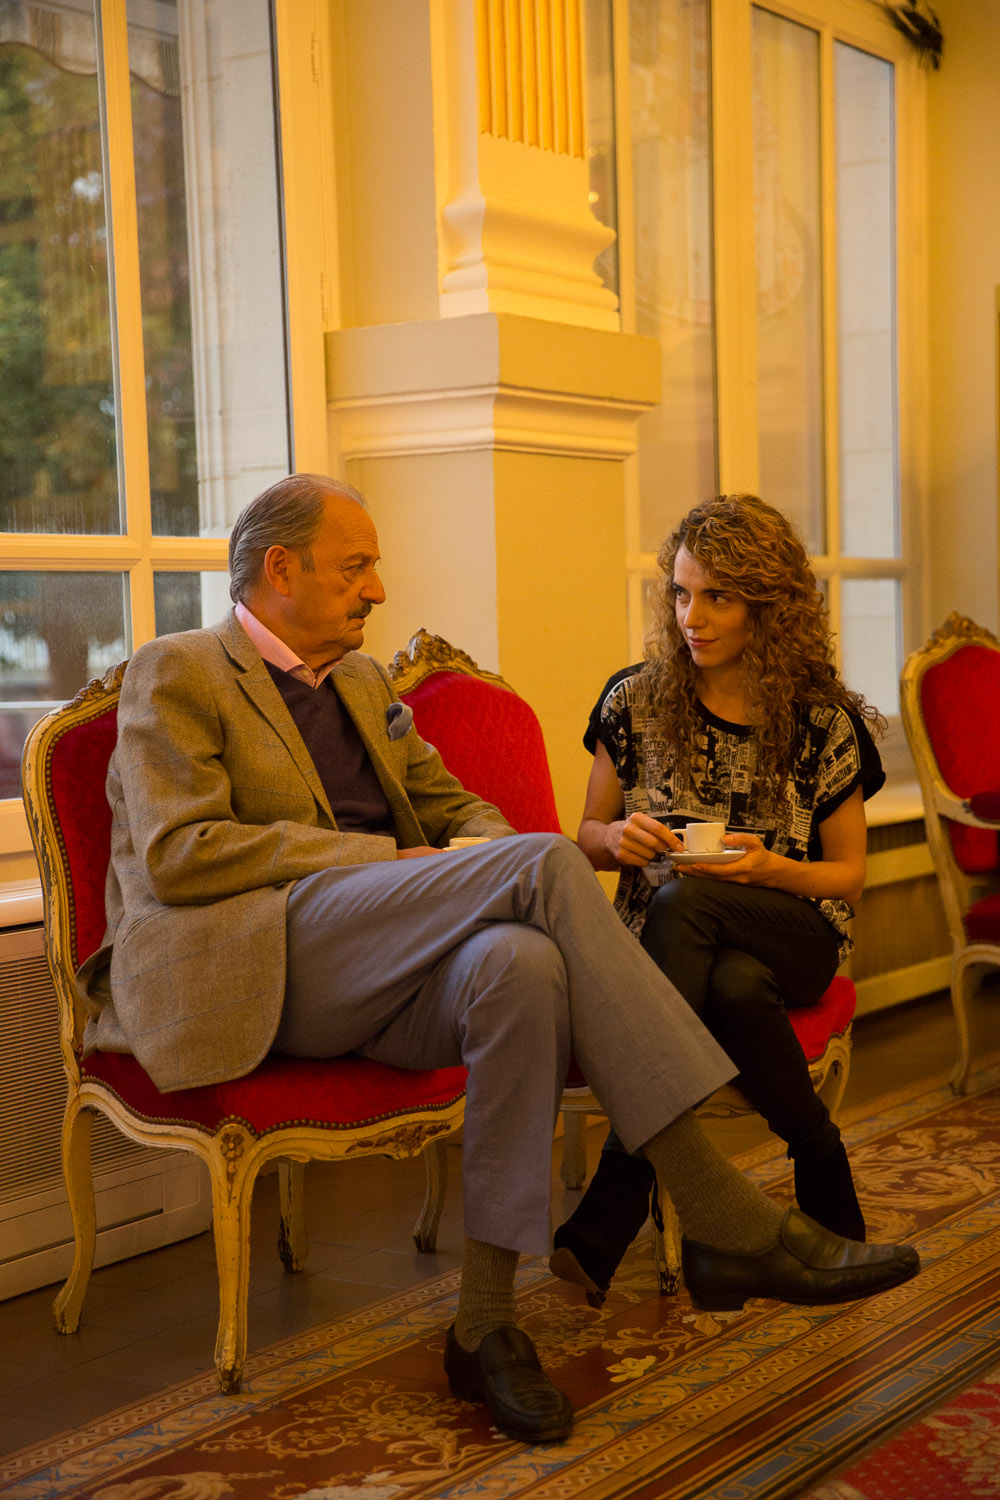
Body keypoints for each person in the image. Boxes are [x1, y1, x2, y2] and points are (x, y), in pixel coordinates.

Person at [78, 475, 918, 1446]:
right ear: (282, 568)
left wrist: (464, 850)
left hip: (380, 967)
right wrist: (400, 860)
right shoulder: (179, 670)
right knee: (551, 858)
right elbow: (183, 856)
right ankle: (718, 1206)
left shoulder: (359, 681)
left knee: (521, 965)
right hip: (262, 962)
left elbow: (457, 808)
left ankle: (484, 1325)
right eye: (357, 568)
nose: (379, 590)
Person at [552, 492, 885, 1310]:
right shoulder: (633, 700)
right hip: (682, 952)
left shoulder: (822, 723)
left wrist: (768, 868)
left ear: (768, 609)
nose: (690, 617)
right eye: (679, 593)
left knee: (687, 908)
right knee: (725, 976)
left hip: (795, 931)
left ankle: (616, 1198)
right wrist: (613, 841)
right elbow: (585, 833)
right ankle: (821, 1180)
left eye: (716, 597)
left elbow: (847, 878)